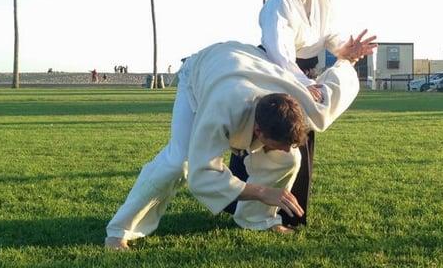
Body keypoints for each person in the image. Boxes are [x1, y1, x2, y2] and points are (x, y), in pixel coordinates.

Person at [105, 38, 372, 250]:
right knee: (178, 162)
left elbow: (339, 85)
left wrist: (344, 60)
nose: (279, 150)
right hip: (202, 72)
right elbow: (202, 174)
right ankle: (118, 232)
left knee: (291, 159)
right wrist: (259, 191)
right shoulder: (222, 108)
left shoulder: (311, 105)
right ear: (258, 130)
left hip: (248, 62)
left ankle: (258, 219)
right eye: (274, 144)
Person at [229, 0, 377, 227]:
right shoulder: (279, 3)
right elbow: (280, 53)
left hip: (305, 70)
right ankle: (251, 206)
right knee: (271, 138)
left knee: (300, 137)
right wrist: (301, 85)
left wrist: (345, 50)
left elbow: (329, 34)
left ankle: (290, 213)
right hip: (275, 70)